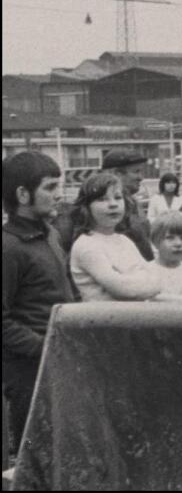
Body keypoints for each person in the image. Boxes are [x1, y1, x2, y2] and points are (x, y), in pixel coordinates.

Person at [2, 152, 78, 452]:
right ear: (22, 194)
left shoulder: (52, 236)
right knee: (33, 457)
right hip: (27, 371)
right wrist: (41, 347)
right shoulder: (8, 248)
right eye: (49, 187)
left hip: (59, 359)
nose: (59, 195)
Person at [68, 172, 161, 302]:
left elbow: (155, 274)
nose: (113, 204)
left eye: (118, 197)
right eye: (102, 199)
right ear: (86, 208)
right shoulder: (87, 245)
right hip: (104, 319)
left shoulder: (124, 240)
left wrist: (130, 279)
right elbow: (122, 289)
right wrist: (147, 281)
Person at [55, 148, 154, 261]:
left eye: (118, 198)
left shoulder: (134, 205)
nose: (141, 177)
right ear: (116, 174)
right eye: (136, 171)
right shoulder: (78, 216)